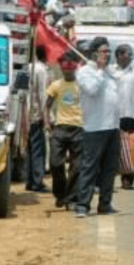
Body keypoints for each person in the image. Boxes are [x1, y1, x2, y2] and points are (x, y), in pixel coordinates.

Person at [73, 37, 122, 217]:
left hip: (112, 126)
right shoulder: (85, 72)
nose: (107, 55)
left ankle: (105, 204)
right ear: (94, 53)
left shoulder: (110, 72)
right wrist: (100, 71)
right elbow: (92, 90)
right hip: (94, 127)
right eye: (103, 51)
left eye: (108, 52)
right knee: (89, 167)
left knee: (110, 168)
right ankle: (83, 205)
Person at [47, 51, 85, 208]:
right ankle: (60, 193)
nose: (67, 71)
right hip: (60, 127)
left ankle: (70, 197)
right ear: (61, 69)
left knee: (77, 166)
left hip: (80, 128)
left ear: (76, 67)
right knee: (55, 163)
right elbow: (47, 104)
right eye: (65, 68)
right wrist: (46, 119)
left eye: (71, 67)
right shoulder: (56, 85)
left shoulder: (83, 85)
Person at [112, 44, 134, 190]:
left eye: (130, 54)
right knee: (115, 147)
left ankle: (128, 179)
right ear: (119, 55)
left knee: (129, 147)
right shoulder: (111, 71)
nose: (129, 56)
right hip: (114, 115)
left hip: (129, 114)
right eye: (126, 54)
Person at [24, 46, 49, 193]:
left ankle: (29, 180)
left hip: (25, 116)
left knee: (28, 150)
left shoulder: (26, 68)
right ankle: (37, 182)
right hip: (35, 115)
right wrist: (45, 117)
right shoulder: (41, 70)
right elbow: (42, 95)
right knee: (38, 150)